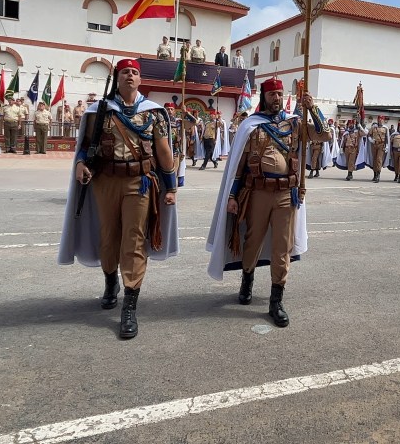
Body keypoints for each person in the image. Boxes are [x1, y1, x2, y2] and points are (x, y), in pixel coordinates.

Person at [60, 58, 179, 340]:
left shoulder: (153, 113)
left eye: (135, 72)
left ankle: (129, 305)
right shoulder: (100, 110)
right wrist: (80, 163)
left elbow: (164, 151)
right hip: (106, 181)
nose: (130, 76)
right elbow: (86, 145)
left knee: (134, 239)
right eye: (125, 72)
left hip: (140, 182)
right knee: (108, 236)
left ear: (140, 80)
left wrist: (171, 187)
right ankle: (110, 281)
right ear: (117, 77)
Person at [206, 77, 331, 328]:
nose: (277, 98)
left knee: (282, 247)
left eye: (280, 94)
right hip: (258, 193)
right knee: (253, 240)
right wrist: (232, 195)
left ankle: (276, 300)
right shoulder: (252, 125)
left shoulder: (295, 123)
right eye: (272, 94)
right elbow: (238, 166)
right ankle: (247, 279)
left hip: (286, 194)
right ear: (264, 97)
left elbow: (324, 135)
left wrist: (313, 108)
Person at [366, 115, 389, 183]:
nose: (380, 120)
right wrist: (370, 140)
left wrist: (387, 146)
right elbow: (369, 134)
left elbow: (387, 137)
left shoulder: (385, 128)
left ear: (383, 120)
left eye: (381, 119)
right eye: (379, 119)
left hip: (381, 145)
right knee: (374, 159)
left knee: (379, 159)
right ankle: (375, 174)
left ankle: (378, 175)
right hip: (374, 144)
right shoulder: (373, 127)